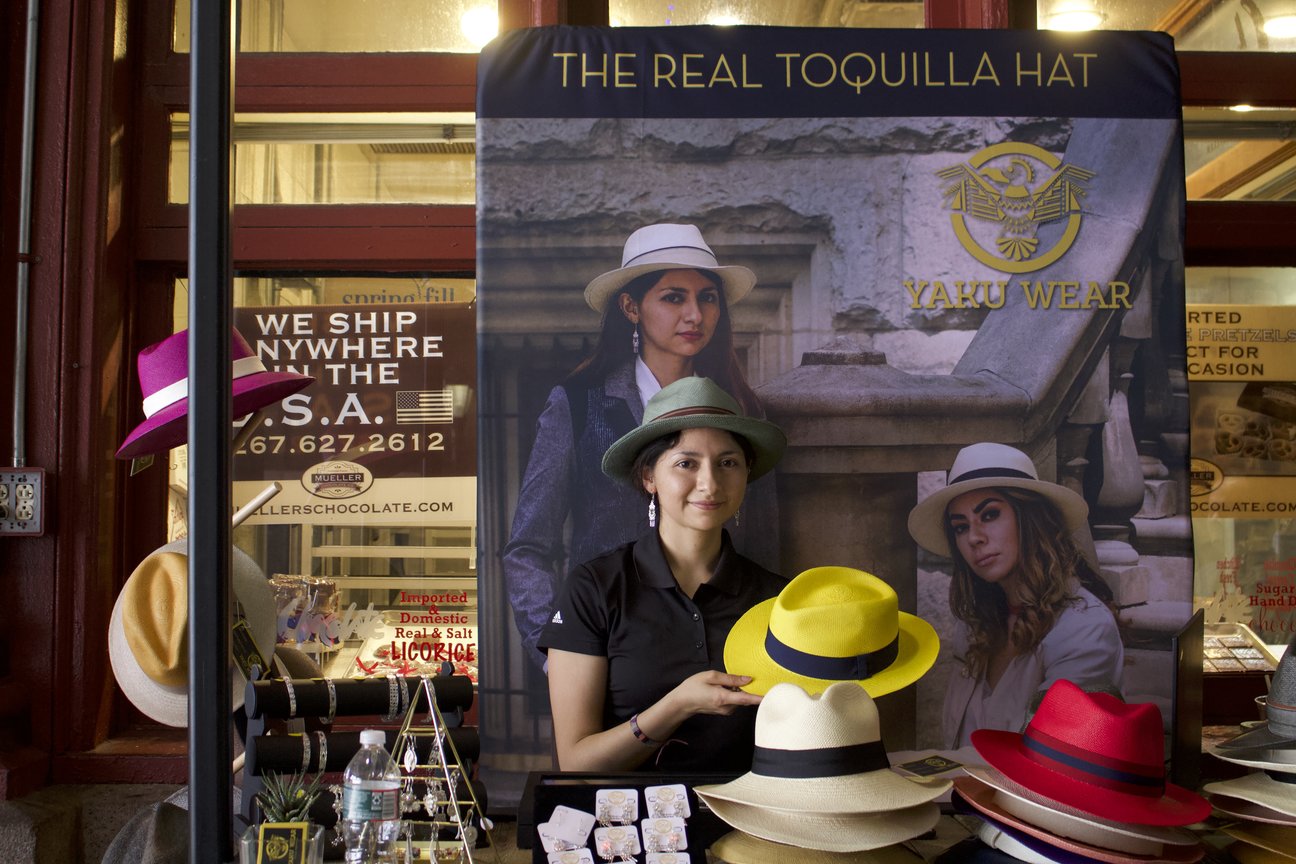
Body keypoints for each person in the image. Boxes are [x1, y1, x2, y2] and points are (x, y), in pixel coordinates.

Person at [503, 223, 778, 670]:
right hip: (608, 651)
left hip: (723, 650)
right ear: (631, 306)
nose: (695, 315)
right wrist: (553, 651)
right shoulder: (577, 403)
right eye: (674, 297)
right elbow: (528, 548)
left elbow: (764, 545)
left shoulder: (741, 408)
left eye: (707, 297)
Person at [538, 376, 788, 772]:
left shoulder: (782, 600)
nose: (709, 483)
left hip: (750, 826)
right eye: (686, 463)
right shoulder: (595, 588)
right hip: (628, 827)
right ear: (649, 477)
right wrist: (679, 704)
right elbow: (576, 763)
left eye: (728, 463)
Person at [906, 442, 1124, 749]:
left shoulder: (1085, 629)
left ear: (1029, 518)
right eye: (960, 527)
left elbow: (1047, 761)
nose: (974, 537)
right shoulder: (974, 626)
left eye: (990, 514)